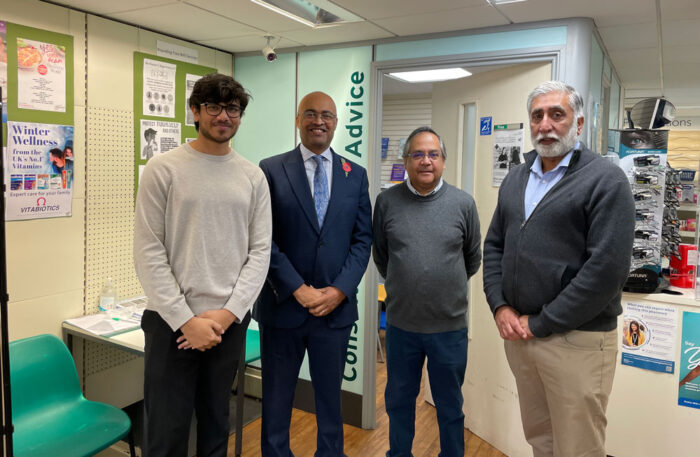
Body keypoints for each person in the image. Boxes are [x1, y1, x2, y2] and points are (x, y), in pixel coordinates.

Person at [482, 80, 635, 457]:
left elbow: (606, 270)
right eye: (537, 116)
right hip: (522, 337)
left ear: (578, 124)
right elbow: (495, 245)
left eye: (557, 114)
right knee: (542, 441)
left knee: (578, 447)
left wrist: (542, 322)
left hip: (576, 340)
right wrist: (500, 306)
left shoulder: (605, 180)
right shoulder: (516, 178)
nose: (545, 125)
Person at [133, 73, 272, 457]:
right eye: (213, 106)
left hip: (228, 324)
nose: (224, 116)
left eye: (233, 109)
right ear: (195, 111)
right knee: (166, 435)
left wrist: (228, 315)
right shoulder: (163, 168)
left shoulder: (253, 177)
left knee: (215, 428)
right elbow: (148, 250)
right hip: (170, 323)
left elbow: (260, 252)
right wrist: (185, 320)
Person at [254, 91, 372, 457]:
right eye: (310, 113)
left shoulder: (356, 175)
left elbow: (362, 240)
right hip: (282, 307)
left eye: (326, 115)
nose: (318, 121)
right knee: (276, 400)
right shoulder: (271, 170)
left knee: (330, 401)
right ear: (297, 120)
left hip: (334, 312)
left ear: (335, 123)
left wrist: (339, 290)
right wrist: (297, 288)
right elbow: (263, 238)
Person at [372, 126, 481, 457]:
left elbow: (472, 258)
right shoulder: (386, 202)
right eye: (417, 154)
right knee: (399, 403)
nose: (426, 161)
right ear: (406, 161)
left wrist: (441, 284)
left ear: (443, 161)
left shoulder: (463, 204)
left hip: (449, 328)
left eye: (433, 154)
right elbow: (382, 255)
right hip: (402, 326)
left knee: (450, 406)